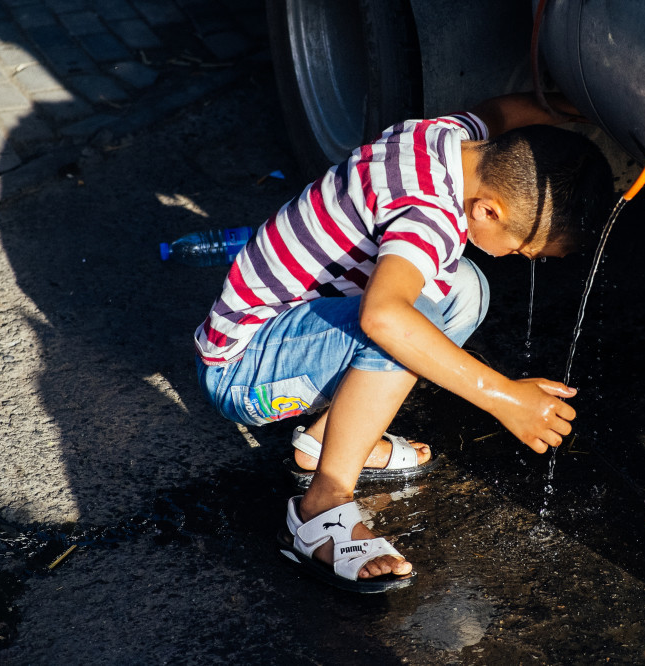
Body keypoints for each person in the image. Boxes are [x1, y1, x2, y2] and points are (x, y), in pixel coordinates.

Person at [194, 93, 613, 592]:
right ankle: (322, 502)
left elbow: (508, 113)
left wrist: (578, 111)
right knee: (405, 316)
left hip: (288, 329)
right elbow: (383, 317)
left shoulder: (444, 140)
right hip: (244, 370)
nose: (519, 258)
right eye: (524, 249)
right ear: (487, 210)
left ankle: (323, 442)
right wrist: (505, 397)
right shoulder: (428, 219)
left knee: (463, 290)